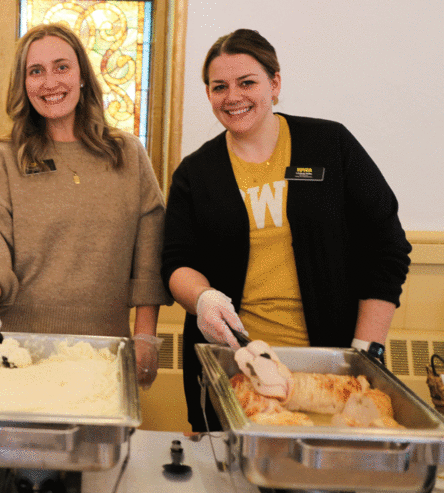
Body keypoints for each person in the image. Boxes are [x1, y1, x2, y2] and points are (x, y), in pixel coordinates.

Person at [161, 29, 411, 432]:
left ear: (274, 83)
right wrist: (203, 298)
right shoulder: (196, 173)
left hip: (328, 368)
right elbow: (177, 263)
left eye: (247, 82)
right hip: (236, 365)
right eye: (218, 86)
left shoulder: (329, 145)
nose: (233, 96)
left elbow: (387, 247)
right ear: (207, 93)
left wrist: (365, 351)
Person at [0, 23, 171, 389]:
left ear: (83, 76)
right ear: (23, 85)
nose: (50, 82)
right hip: (17, 352)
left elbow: (148, 253)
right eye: (35, 71)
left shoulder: (128, 154)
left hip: (104, 351)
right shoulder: (1, 158)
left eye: (62, 67)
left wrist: (146, 336)